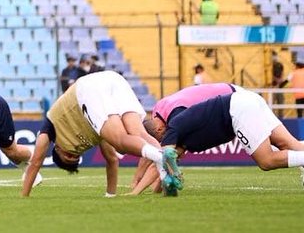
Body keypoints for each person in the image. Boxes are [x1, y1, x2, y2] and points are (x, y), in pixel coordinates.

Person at [20, 70, 179, 198]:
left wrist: (24, 196)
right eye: (75, 157)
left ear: (58, 150)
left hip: (87, 89)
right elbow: (111, 160)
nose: (73, 154)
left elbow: (35, 164)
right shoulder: (96, 131)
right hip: (113, 79)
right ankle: (166, 172)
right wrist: (110, 194)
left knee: (120, 140)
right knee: (137, 134)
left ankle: (160, 156)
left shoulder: (50, 129)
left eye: (68, 157)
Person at [133, 86, 304, 194]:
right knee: (290, 144)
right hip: (247, 97)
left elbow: (164, 158)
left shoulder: (173, 126)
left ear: (159, 130)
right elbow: (168, 161)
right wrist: (161, 186)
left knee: (266, 160)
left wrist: (136, 192)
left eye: (159, 140)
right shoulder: (167, 115)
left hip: (238, 108)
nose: (161, 143)